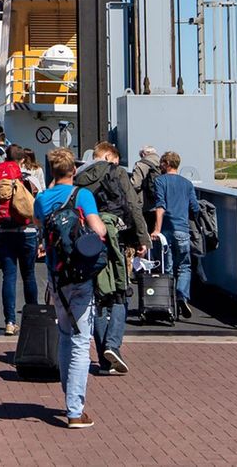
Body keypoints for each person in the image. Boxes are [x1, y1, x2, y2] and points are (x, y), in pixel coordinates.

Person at [34, 148, 106, 429]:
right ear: (73, 170)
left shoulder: (41, 198)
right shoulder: (82, 195)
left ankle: (70, 398)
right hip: (81, 275)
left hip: (56, 276)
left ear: (52, 171)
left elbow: (38, 223)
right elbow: (98, 230)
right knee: (79, 341)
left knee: (65, 334)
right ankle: (74, 409)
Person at [75, 141, 149, 375]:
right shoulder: (117, 172)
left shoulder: (80, 176)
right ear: (108, 156)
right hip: (119, 240)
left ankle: (105, 360)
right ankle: (112, 346)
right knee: (120, 292)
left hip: (90, 243)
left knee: (98, 297)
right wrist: (142, 239)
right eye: (116, 159)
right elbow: (133, 206)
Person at [0, 145, 37, 335]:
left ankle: (9, 322)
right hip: (27, 232)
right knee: (29, 275)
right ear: (22, 160)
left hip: (2, 233)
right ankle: (32, 318)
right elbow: (36, 208)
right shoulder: (28, 180)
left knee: (9, 276)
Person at [149, 151, 201, 319]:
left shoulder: (160, 181)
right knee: (185, 266)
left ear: (166, 164)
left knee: (167, 268)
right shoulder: (187, 184)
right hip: (182, 230)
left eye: (161, 163)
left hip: (165, 231)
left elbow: (160, 205)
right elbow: (195, 207)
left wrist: (156, 229)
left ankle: (168, 305)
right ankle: (181, 295)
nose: (160, 166)